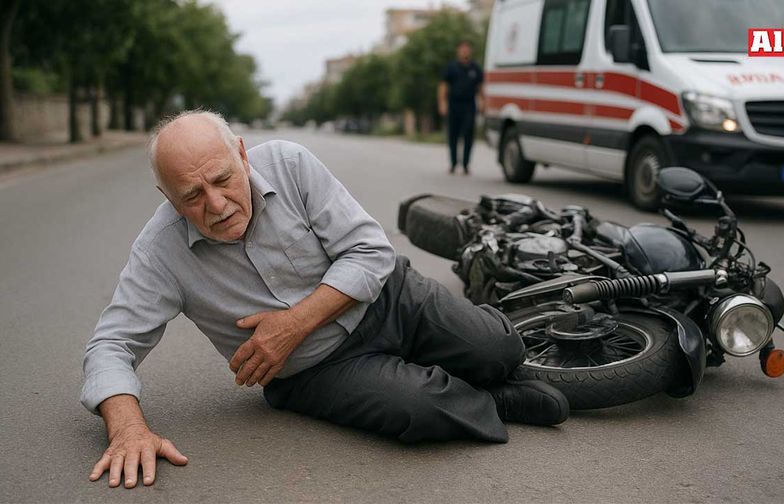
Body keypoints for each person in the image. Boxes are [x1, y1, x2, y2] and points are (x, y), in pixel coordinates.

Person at [82, 111, 569, 489]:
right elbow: (111, 344)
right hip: (315, 370)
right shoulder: (159, 251)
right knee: (417, 409)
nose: (216, 204)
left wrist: (293, 323)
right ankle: (491, 400)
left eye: (223, 179)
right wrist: (128, 429)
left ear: (243, 156)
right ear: (167, 197)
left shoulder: (291, 164)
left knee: (496, 349)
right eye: (191, 195)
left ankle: (486, 361)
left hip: (388, 297)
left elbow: (371, 251)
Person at [438, 39, 484, 175]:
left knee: (469, 134)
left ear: (470, 50)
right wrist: (442, 103)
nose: (464, 51)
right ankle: (453, 163)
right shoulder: (451, 67)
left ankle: (465, 164)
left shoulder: (475, 68)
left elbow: (480, 87)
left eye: (467, 48)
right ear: (458, 50)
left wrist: (482, 101)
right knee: (453, 135)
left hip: (469, 105)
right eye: (462, 48)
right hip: (454, 104)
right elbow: (443, 86)